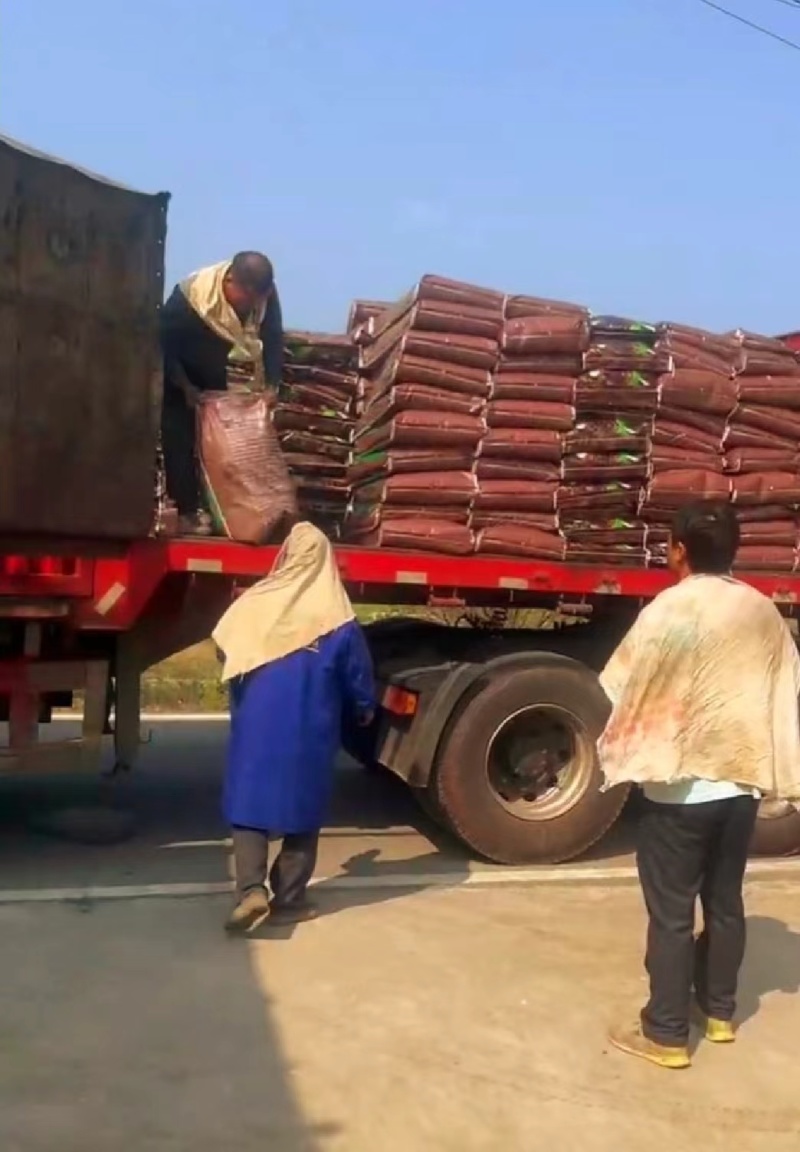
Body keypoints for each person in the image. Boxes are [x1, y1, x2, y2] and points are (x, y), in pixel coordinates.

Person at [598, 500, 800, 1070]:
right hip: (738, 789)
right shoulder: (762, 610)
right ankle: (718, 1014)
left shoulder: (670, 609)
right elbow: (785, 688)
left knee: (670, 913)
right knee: (725, 901)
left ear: (680, 550)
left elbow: (622, 685)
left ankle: (664, 1032)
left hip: (678, 792)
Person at [212, 520, 376, 933]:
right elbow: (356, 675)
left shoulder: (255, 603)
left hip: (255, 725)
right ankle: (288, 900)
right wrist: (364, 707)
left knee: (249, 806)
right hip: (310, 726)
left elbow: (223, 647)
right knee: (303, 812)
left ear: (285, 556)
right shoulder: (337, 618)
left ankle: (250, 890)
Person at [160, 251, 284, 534]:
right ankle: (188, 511)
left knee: (227, 445)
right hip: (180, 372)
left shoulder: (264, 293)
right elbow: (163, 347)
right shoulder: (191, 298)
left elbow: (273, 335)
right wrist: (185, 387)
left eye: (257, 300)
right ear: (230, 282)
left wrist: (272, 385)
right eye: (247, 299)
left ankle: (240, 511)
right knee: (179, 437)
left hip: (216, 369)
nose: (252, 307)